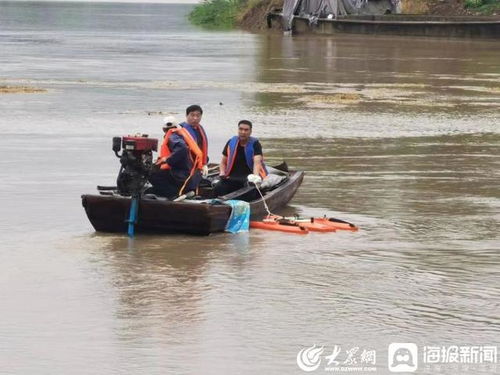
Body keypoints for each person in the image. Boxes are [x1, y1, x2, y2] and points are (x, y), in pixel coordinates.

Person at [146, 115, 204, 199]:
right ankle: (168, 191)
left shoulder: (172, 137)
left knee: (150, 173)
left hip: (181, 176)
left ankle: (172, 194)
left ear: (163, 129)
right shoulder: (182, 135)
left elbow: (182, 148)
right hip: (190, 175)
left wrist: (167, 160)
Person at [214, 120, 268, 197]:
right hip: (232, 176)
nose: (243, 132)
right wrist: (222, 172)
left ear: (250, 131)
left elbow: (257, 163)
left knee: (250, 191)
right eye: (241, 129)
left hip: (248, 177)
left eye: (246, 130)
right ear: (238, 130)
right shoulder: (231, 142)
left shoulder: (255, 144)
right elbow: (223, 162)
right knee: (218, 188)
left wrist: (255, 177)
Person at [178, 105, 209, 180]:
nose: (195, 118)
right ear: (186, 115)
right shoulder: (179, 129)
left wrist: (204, 164)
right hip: (184, 163)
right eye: (192, 115)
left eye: (198, 116)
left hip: (197, 160)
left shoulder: (200, 129)